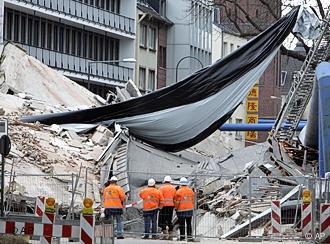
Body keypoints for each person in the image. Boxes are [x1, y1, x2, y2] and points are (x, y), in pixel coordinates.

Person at [174, 177, 195, 242]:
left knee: (182, 224)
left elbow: (177, 202)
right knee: (189, 224)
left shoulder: (178, 192)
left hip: (181, 210)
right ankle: (189, 236)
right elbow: (193, 200)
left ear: (180, 184)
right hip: (190, 209)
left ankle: (182, 237)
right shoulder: (191, 191)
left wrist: (176, 208)